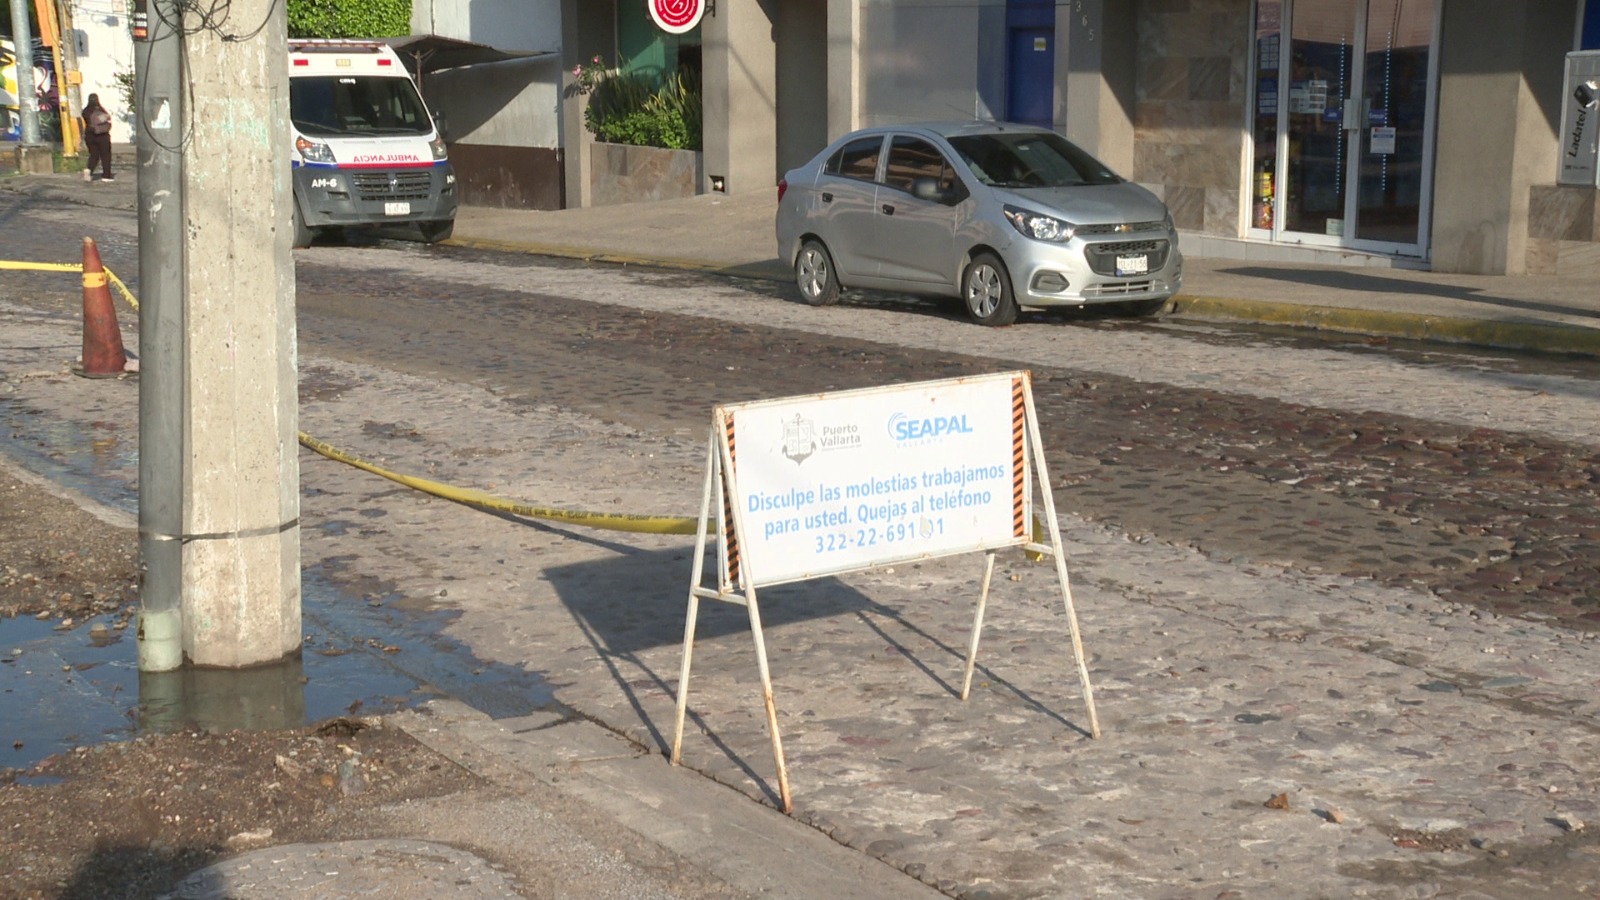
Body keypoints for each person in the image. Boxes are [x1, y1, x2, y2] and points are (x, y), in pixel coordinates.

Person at [80, 93, 114, 183]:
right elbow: (107, 117)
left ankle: (89, 170)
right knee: (105, 155)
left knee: (94, 155)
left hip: (89, 135)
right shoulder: (100, 109)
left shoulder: (85, 111)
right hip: (102, 136)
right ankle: (106, 176)